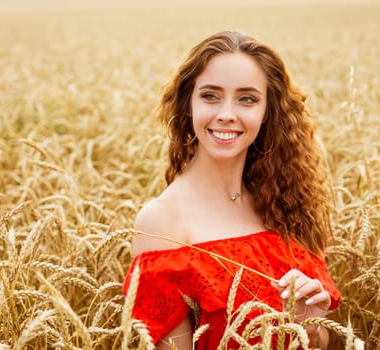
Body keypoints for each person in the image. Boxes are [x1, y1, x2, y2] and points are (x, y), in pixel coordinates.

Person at [123, 30, 340, 349]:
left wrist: (308, 324)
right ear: (188, 105)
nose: (226, 114)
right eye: (210, 96)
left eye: (247, 99)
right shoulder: (163, 224)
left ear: (268, 112)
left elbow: (318, 342)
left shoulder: (285, 203)